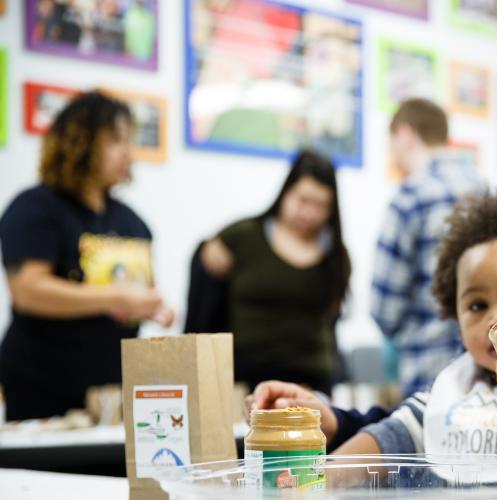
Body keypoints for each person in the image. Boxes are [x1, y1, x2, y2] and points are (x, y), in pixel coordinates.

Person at [250, 191, 497, 462]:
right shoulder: (440, 401)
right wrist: (313, 457)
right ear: (454, 318)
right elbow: (377, 446)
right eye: (477, 304)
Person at [0, 90, 173, 421]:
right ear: (80, 142)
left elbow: (138, 295)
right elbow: (28, 291)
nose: (127, 153)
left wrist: (153, 308)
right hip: (41, 384)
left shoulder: (132, 222)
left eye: (128, 141)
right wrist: (116, 297)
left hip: (112, 391)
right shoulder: (36, 208)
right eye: (114, 141)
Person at [196, 150, 350, 395]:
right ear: (285, 193)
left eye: (321, 205)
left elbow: (333, 322)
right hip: (244, 379)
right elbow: (203, 299)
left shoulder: (336, 255)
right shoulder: (243, 236)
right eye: (303, 200)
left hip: (311, 383)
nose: (310, 213)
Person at [371, 98, 484, 397]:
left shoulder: (410, 196)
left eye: (390, 143)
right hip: (487, 366)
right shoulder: (485, 190)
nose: (391, 155)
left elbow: (384, 309)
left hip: (428, 373)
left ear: (405, 134)